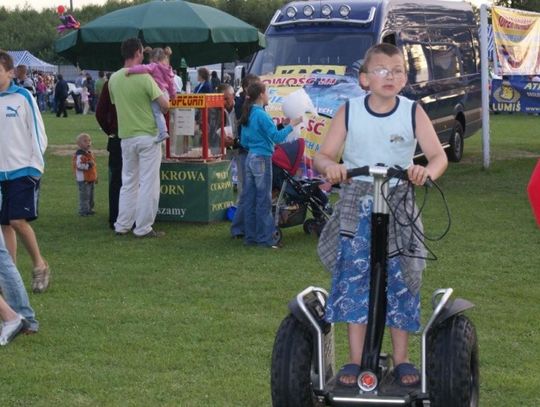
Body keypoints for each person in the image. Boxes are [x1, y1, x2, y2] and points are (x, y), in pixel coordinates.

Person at [314, 43, 448, 388]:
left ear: (405, 77)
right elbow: (324, 155)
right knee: (354, 276)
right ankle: (356, 359)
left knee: (401, 275)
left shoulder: (412, 111)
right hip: (358, 198)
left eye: (398, 70)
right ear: (364, 79)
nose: (390, 76)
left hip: (398, 199)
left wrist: (424, 173)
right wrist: (332, 167)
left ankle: (402, 358)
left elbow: (437, 156)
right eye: (382, 70)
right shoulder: (349, 111)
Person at [0, 50, 50, 294]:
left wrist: (36, 167)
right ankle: (11, 277)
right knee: (4, 225)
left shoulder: (23, 97)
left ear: (10, 72)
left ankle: (40, 264)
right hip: (0, 173)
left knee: (18, 221)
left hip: (23, 169)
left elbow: (38, 133)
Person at [109, 38, 169, 238]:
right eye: (142, 52)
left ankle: (122, 224)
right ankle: (143, 227)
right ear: (137, 52)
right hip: (148, 136)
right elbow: (164, 104)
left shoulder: (114, 79)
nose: (143, 55)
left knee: (128, 182)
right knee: (148, 183)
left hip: (126, 137)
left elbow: (116, 104)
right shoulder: (144, 77)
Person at [240, 81, 302, 248]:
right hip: (262, 158)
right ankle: (265, 239)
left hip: (251, 157)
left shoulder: (250, 113)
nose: (268, 96)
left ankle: (251, 237)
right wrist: (292, 125)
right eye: (266, 92)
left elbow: (244, 140)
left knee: (251, 199)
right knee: (263, 201)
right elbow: (277, 137)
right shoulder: (262, 114)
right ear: (261, 94)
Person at [230, 74, 260, 239]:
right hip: (246, 151)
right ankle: (238, 227)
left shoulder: (250, 105)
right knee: (247, 191)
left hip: (250, 150)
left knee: (250, 191)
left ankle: (244, 226)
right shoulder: (243, 104)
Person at [126, 46, 176, 144]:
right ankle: (161, 131)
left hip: (157, 92)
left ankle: (163, 132)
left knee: (156, 113)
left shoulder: (154, 66)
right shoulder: (168, 69)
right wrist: (173, 95)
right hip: (165, 93)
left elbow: (142, 68)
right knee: (160, 113)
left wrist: (130, 70)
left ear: (153, 59)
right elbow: (171, 84)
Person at [95, 77, 121, 230]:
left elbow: (100, 113)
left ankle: (115, 217)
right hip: (134, 136)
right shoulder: (145, 79)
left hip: (116, 137)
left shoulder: (111, 83)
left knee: (116, 181)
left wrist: (110, 130)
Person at [72, 133, 98, 216]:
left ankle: (90, 209)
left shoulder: (89, 153)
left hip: (90, 179)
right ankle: (83, 211)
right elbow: (79, 166)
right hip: (84, 180)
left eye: (89, 141)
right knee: (85, 196)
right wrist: (89, 165)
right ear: (79, 144)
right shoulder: (80, 155)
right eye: (85, 141)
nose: (88, 143)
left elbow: (93, 167)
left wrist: (95, 176)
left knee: (91, 196)